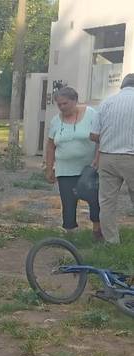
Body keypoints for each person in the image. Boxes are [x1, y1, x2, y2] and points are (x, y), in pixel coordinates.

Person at [44, 87, 102, 240]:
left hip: (89, 168)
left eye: (65, 103)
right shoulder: (56, 121)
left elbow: (100, 138)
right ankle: (70, 234)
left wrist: (97, 159)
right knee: (68, 201)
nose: (62, 107)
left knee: (95, 199)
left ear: (75, 100)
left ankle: (97, 231)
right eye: (59, 104)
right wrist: (49, 168)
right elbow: (50, 146)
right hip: (65, 169)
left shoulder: (91, 114)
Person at [91, 73, 134, 244]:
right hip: (131, 157)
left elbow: (93, 135)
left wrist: (111, 136)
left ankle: (111, 241)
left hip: (107, 157)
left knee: (107, 203)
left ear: (122, 86)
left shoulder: (106, 102)